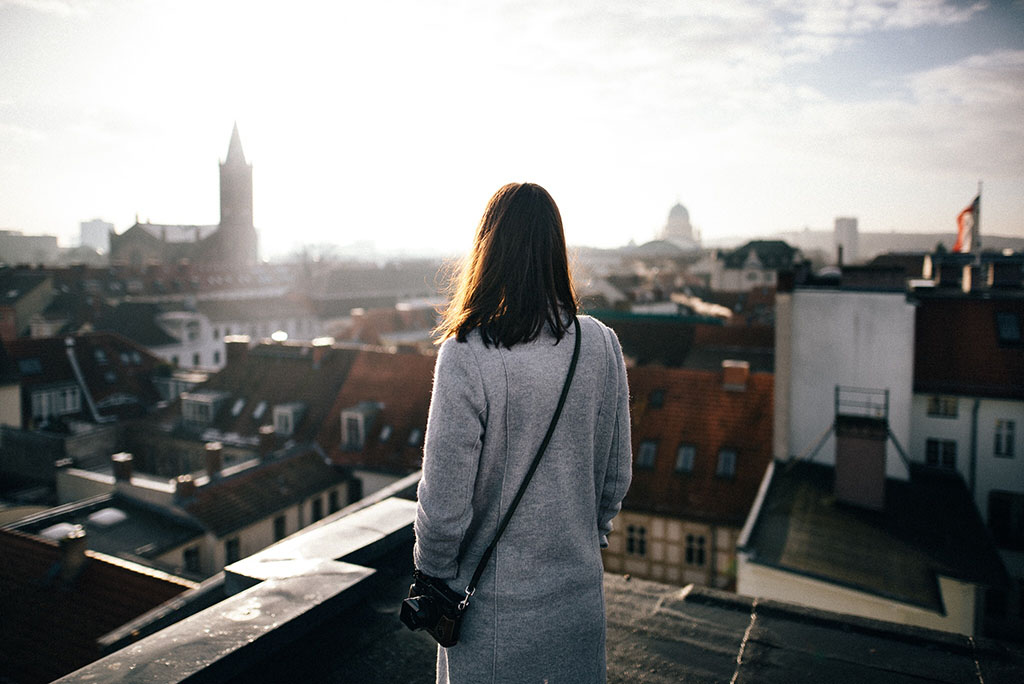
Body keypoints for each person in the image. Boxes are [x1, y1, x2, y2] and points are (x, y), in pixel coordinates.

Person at [413, 182, 632, 683]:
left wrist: (434, 577)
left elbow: (444, 503)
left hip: (493, 619)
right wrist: (583, 539)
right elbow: (616, 477)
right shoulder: (600, 344)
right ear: (556, 250)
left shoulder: (467, 355)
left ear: (487, 250)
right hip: (578, 605)